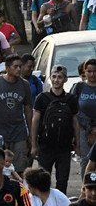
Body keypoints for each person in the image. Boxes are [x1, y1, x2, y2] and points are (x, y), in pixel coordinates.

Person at [30, 65, 79, 194]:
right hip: (45, 146)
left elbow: (75, 122)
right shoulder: (42, 98)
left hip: (64, 146)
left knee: (62, 180)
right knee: (43, 179)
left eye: (60, 77)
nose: (57, 80)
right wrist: (34, 145)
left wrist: (77, 144)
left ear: (65, 79)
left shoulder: (71, 99)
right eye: (54, 77)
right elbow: (35, 121)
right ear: (50, 78)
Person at [0, 54, 32, 173]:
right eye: (15, 66)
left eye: (20, 66)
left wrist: (31, 133)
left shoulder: (24, 84)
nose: (18, 69)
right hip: (0, 132)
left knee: (20, 167)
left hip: (19, 132)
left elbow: (27, 109)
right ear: (7, 68)